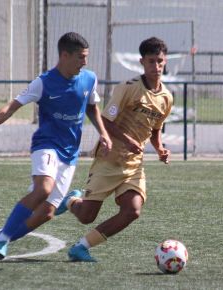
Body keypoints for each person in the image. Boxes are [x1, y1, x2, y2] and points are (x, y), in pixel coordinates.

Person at [0, 32, 111, 269]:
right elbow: (11, 107)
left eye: (86, 57)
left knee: (46, 213)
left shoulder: (89, 79)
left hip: (70, 154)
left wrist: (103, 133)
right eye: (80, 57)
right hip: (46, 145)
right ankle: (3, 238)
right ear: (64, 55)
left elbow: (91, 107)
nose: (84, 62)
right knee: (43, 189)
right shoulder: (44, 82)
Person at [55, 36, 173, 262]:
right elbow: (106, 121)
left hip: (133, 165)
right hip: (109, 158)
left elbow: (156, 128)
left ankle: (82, 246)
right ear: (142, 62)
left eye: (160, 61)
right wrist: (128, 139)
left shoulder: (167, 97)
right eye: (151, 61)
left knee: (132, 211)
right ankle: (72, 201)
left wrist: (160, 149)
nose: (156, 67)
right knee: (86, 216)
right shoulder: (128, 89)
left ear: (165, 61)